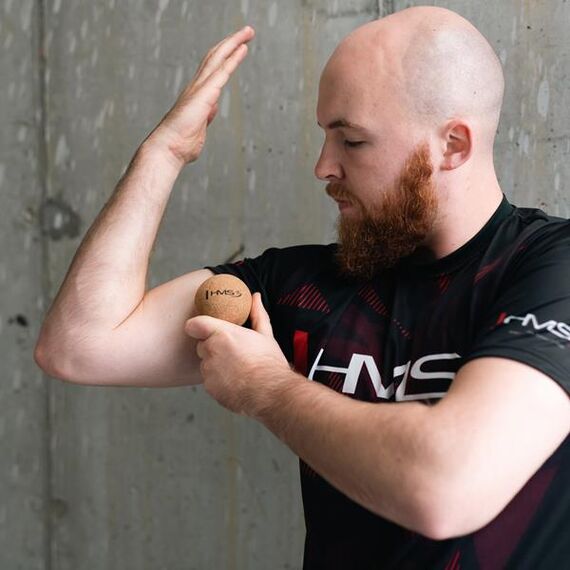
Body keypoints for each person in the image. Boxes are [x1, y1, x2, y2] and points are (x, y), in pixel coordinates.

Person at [35, 6, 570, 569]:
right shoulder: (300, 287)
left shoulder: (548, 269)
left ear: (453, 145)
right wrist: (164, 153)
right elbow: (79, 345)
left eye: (352, 141)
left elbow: (445, 488)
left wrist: (267, 389)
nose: (323, 167)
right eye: (325, 137)